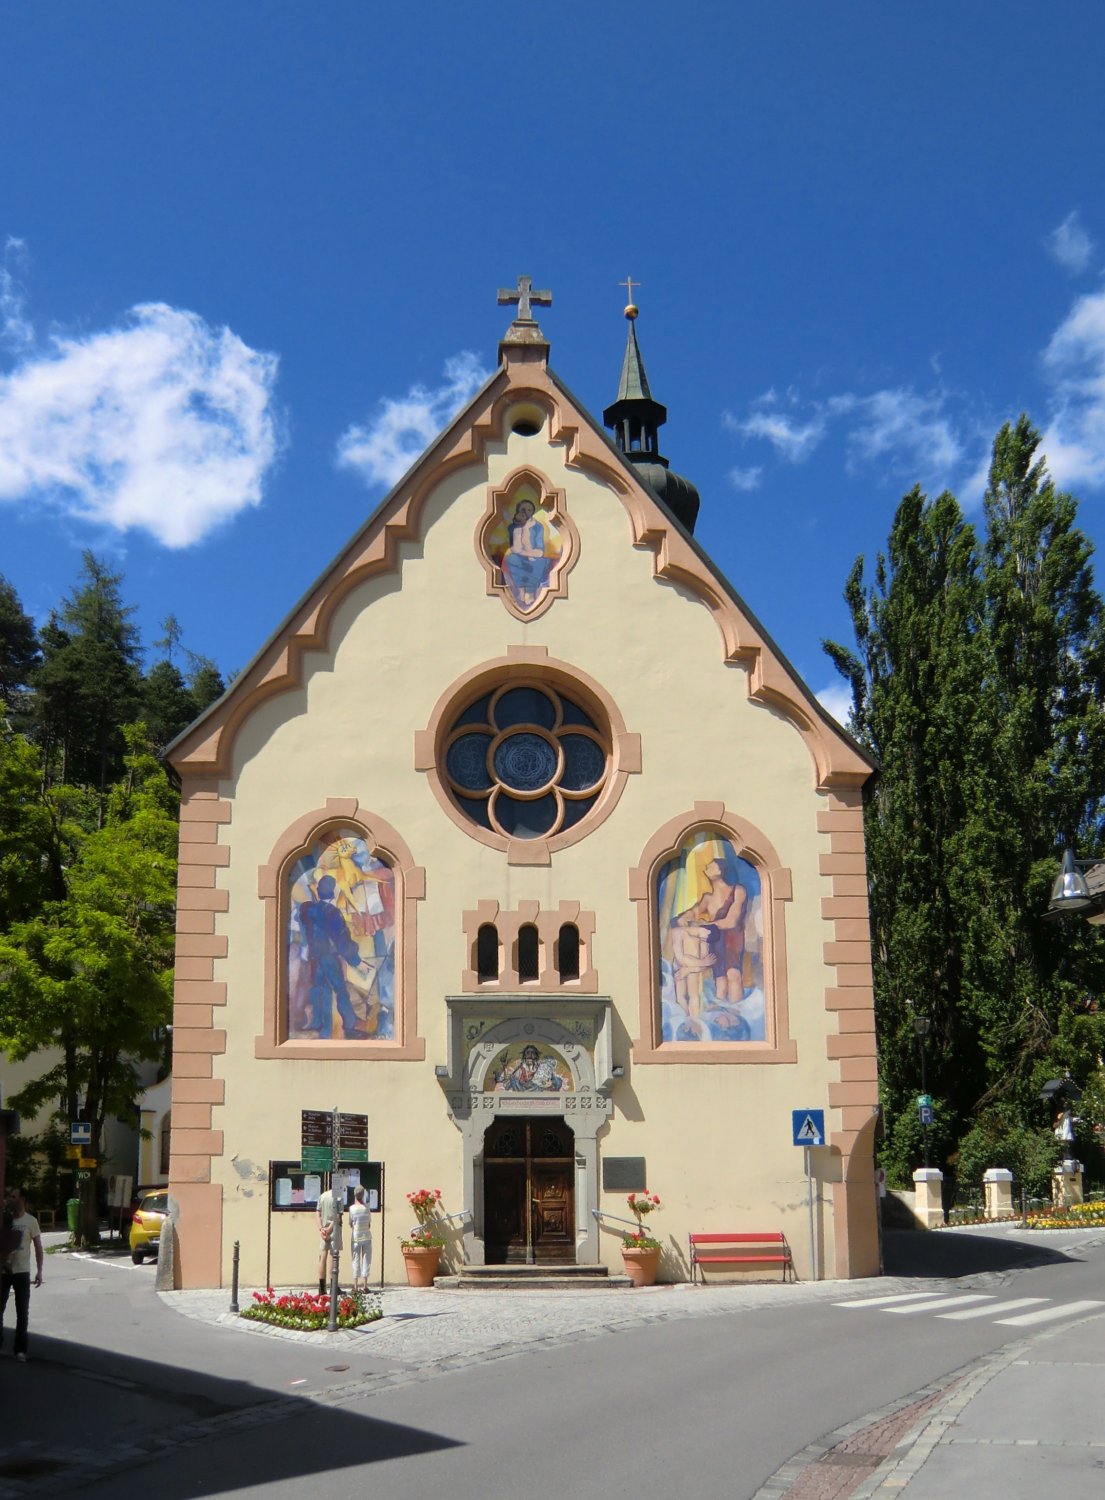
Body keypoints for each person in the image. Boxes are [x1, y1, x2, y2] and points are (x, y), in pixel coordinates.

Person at [298, 874, 371, 1040]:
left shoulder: (307, 910)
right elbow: (342, 940)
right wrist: (357, 962)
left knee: (320, 989)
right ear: (333, 893)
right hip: (329, 958)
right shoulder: (333, 913)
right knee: (341, 991)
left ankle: (320, 1026)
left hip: (315, 958)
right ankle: (350, 1026)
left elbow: (303, 914)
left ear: (317, 891)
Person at [1, 1186, 43, 1363]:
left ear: (22, 1199)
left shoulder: (31, 1221)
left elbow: (38, 1247)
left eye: (14, 1196)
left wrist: (40, 1271)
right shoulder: (5, 1220)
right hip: (3, 1271)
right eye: (10, 1196)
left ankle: (20, 1350)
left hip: (22, 1272)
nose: (11, 1199)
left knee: (22, 1312)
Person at [316, 1182, 342, 1295]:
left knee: (322, 1257)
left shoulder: (322, 1196)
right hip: (334, 1229)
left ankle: (322, 1288)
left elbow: (317, 1214)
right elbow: (338, 1216)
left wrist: (321, 1229)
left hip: (323, 1230)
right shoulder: (339, 1198)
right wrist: (330, 1228)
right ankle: (333, 1286)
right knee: (333, 1257)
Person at [348, 1185, 372, 1293]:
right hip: (366, 1236)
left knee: (355, 1260)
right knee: (366, 1260)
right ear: (363, 1195)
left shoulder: (352, 1208)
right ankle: (365, 1285)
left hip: (356, 1237)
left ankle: (355, 1286)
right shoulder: (367, 1208)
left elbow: (350, 1223)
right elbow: (369, 1223)